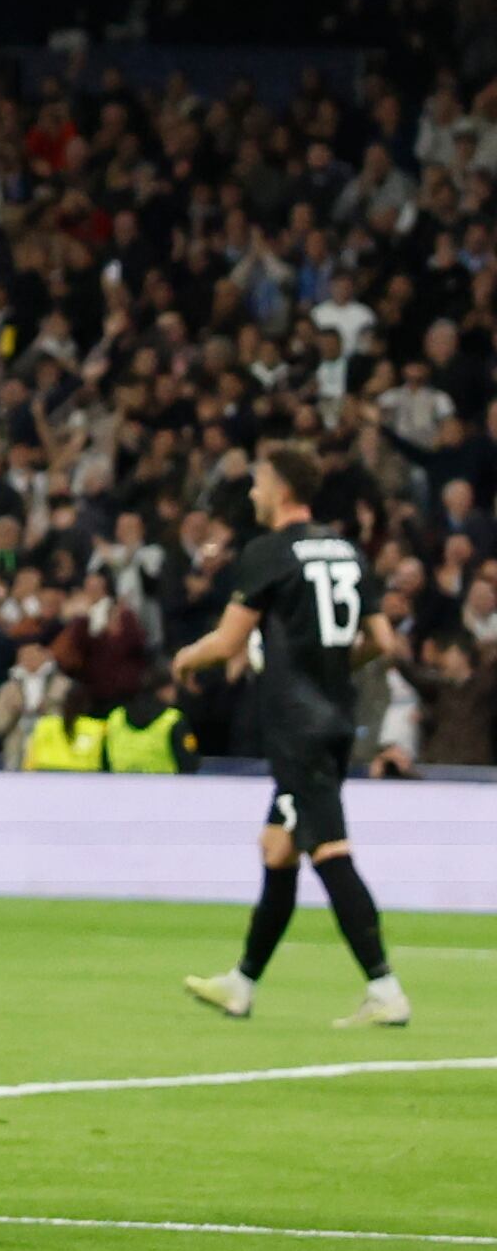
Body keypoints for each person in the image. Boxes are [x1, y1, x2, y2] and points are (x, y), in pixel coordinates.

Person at [173, 440, 409, 1030]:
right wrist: (330, 666)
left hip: (296, 727)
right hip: (332, 718)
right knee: (278, 847)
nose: (252, 492)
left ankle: (385, 987)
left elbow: (227, 644)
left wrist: (183, 660)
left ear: (280, 488)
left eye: (257, 482)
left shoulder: (270, 552)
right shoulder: (347, 551)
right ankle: (242, 983)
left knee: (329, 851)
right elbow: (384, 640)